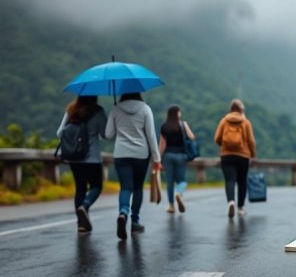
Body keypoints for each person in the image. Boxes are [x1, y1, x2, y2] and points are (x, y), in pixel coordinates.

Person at [105, 92, 161, 240]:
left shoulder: (115, 109)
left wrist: (119, 126)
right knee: (137, 188)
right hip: (141, 155)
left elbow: (108, 134)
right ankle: (135, 222)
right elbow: (151, 135)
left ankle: (123, 212)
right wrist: (156, 158)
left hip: (121, 154)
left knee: (125, 187)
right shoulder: (145, 109)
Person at [57, 95, 107, 234]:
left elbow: (59, 132)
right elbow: (104, 134)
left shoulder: (71, 110)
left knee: (80, 188)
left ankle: (81, 225)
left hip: (74, 158)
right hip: (92, 158)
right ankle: (85, 206)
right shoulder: (98, 111)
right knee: (96, 186)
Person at [214, 99, 256, 218]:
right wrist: (253, 155)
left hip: (226, 155)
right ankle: (241, 207)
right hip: (243, 156)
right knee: (242, 181)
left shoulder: (224, 120)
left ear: (231, 109)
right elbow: (251, 141)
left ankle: (231, 201)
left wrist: (224, 145)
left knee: (229, 180)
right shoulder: (246, 122)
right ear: (241, 110)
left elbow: (217, 138)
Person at [159, 105, 195, 214]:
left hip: (168, 156)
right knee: (182, 181)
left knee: (169, 182)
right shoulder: (183, 124)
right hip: (181, 156)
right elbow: (192, 137)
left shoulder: (164, 126)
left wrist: (159, 159)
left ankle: (171, 206)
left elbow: (162, 144)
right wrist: (185, 126)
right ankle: (179, 193)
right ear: (177, 113)